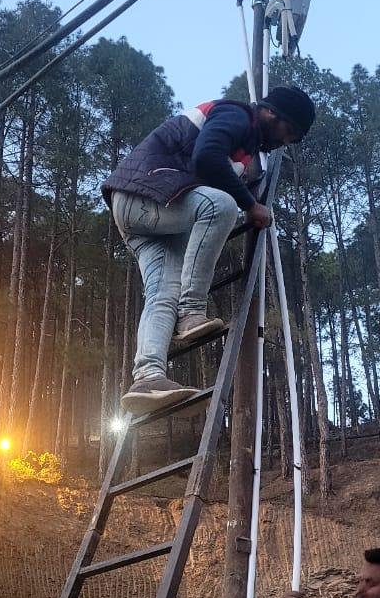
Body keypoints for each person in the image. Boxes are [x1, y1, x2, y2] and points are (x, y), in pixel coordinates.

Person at [101, 86, 316, 415]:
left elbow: (214, 169)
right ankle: (191, 313)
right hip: (144, 196)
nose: (284, 142)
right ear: (272, 113)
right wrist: (250, 205)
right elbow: (206, 156)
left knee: (162, 294)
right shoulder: (237, 115)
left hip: (148, 213)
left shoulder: (244, 151)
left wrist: (246, 189)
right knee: (221, 206)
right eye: (290, 132)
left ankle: (147, 376)